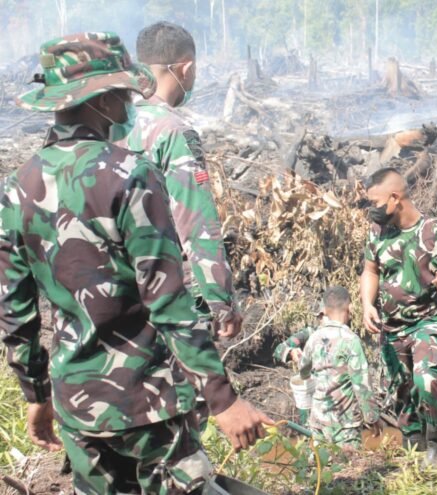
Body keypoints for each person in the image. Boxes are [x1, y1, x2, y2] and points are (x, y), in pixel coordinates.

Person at [1, 32, 271, 494]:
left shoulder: (18, 186)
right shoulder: (130, 175)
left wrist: (37, 393)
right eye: (125, 93)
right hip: (147, 402)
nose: (130, 103)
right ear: (103, 99)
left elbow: (15, 309)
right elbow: (167, 301)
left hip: (77, 405)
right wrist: (222, 399)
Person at [116, 21, 241, 340]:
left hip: (113, 292)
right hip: (168, 296)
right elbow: (196, 223)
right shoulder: (173, 132)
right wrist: (220, 301)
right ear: (185, 69)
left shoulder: (110, 124)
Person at [360, 167, 437, 466]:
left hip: (427, 322)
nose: (371, 210)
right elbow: (370, 270)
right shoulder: (377, 233)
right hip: (391, 329)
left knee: (427, 380)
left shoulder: (434, 231)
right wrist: (367, 305)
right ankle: (413, 447)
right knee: (402, 391)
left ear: (395, 198)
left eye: (374, 203)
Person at [296, 286, 382, 449]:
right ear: (350, 307)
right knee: (348, 464)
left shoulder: (314, 338)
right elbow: (361, 384)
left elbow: (303, 370)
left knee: (320, 463)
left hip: (318, 421)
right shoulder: (351, 340)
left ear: (324, 310)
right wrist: (372, 417)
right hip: (345, 425)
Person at [273, 301, 325, 426]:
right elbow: (279, 350)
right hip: (310, 389)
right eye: (322, 317)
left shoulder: (345, 336)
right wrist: (291, 352)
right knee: (308, 424)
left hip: (334, 397)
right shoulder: (309, 334)